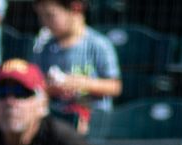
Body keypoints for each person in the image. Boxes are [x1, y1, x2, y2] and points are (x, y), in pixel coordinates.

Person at [32, 0, 120, 130]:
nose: (44, 22)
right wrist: (53, 87)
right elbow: (36, 85)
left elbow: (115, 86)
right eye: (40, 16)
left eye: (50, 15)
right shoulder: (43, 47)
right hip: (56, 121)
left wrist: (81, 83)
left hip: (95, 121)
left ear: (76, 8)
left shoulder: (99, 44)